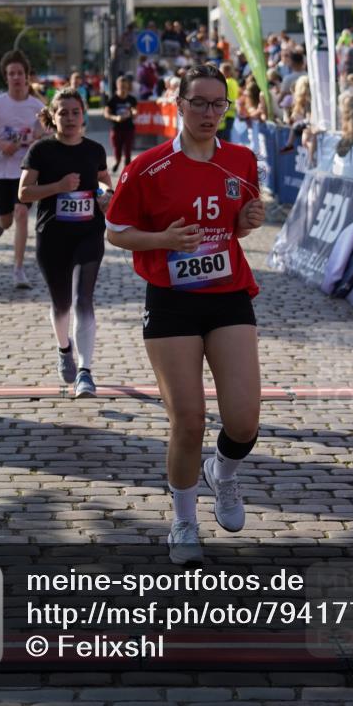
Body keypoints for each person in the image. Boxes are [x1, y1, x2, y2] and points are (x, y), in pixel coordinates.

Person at [106, 64, 265, 564]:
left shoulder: (241, 159)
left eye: (218, 104)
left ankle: (223, 473)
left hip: (228, 294)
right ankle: (183, 521)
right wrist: (163, 239)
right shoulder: (148, 166)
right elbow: (116, 231)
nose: (209, 113)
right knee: (189, 419)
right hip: (171, 299)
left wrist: (248, 220)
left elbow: (239, 225)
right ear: (180, 103)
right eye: (199, 103)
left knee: (244, 421)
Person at [18, 88, 113, 398]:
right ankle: (64, 349)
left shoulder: (95, 150)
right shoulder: (41, 150)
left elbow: (104, 184)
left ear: (83, 116)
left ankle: (85, 371)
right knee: (61, 304)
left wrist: (106, 197)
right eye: (63, 113)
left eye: (75, 112)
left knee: (84, 299)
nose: (70, 118)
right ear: (53, 116)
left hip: (89, 233)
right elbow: (23, 193)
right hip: (52, 236)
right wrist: (58, 186)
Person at [0, 50, 45, 289]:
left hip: (26, 170)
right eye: (11, 73)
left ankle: (18, 270)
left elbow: (46, 131)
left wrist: (38, 137)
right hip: (0, 169)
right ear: (6, 77)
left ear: (27, 76)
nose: (16, 77)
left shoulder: (37, 106)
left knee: (21, 213)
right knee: (7, 220)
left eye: (20, 73)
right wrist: (0, 143)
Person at [104, 75, 138, 173]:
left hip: (129, 128)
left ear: (128, 86)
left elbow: (135, 111)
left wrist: (133, 113)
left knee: (128, 151)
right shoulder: (113, 99)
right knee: (117, 149)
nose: (123, 88)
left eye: (125, 86)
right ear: (117, 86)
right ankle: (117, 161)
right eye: (121, 86)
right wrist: (115, 118)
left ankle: (127, 171)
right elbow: (106, 113)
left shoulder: (132, 99)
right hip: (116, 129)